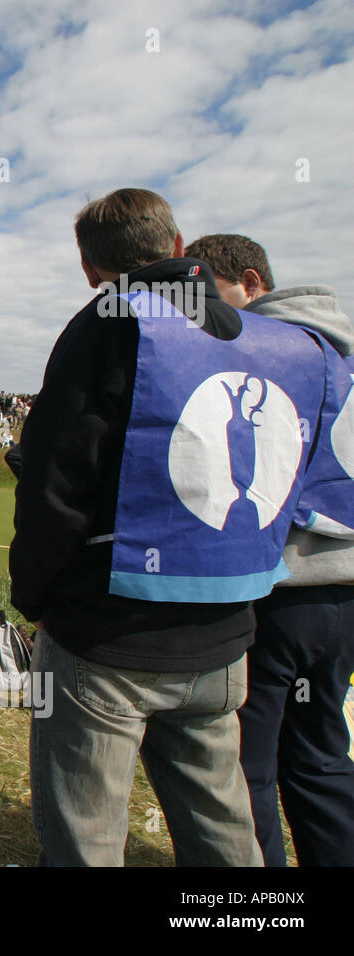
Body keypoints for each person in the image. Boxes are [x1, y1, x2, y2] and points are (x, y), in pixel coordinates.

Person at [10, 188, 331, 866]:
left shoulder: (110, 320)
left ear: (89, 266)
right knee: (221, 824)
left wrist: (36, 598)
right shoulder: (278, 342)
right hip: (227, 632)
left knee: (86, 834)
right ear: (180, 247)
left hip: (108, 635)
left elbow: (55, 482)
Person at [186, 233, 354, 866]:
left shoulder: (269, 353)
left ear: (251, 282)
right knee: (319, 755)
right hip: (345, 592)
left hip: (283, 590)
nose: (204, 314)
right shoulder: (343, 354)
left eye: (211, 295)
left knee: (247, 768)